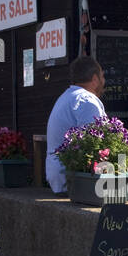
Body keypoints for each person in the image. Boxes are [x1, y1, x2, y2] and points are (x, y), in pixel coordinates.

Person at [45, 55, 107, 193]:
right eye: (102, 76)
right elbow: (95, 144)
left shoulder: (66, 97)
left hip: (60, 177)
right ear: (95, 79)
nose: (104, 80)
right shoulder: (87, 101)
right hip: (74, 181)